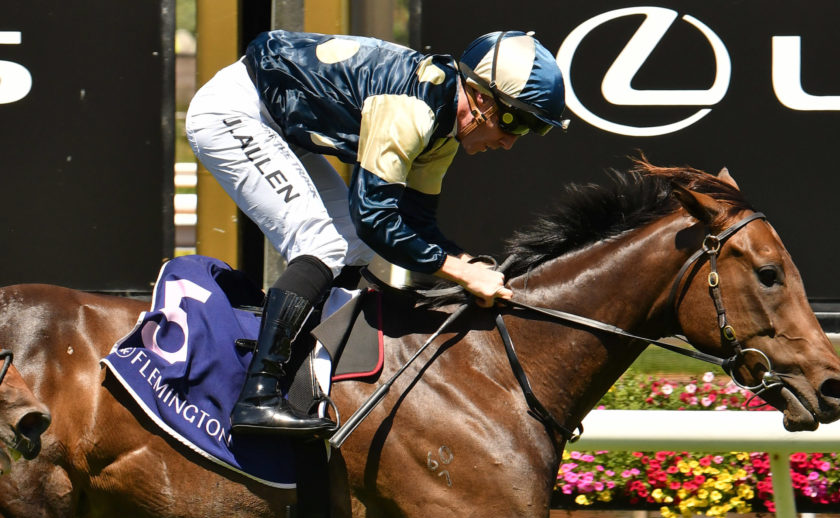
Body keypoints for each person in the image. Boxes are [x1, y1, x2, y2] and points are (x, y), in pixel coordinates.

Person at [185, 29, 568, 438]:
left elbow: (416, 221)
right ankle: (258, 395)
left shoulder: (442, 130)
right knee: (323, 243)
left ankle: (315, 376)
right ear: (480, 97)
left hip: (281, 122)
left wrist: (467, 262)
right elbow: (375, 219)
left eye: (528, 130)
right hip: (237, 112)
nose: (509, 142)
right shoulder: (411, 111)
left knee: (353, 246)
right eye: (514, 122)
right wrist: (460, 272)